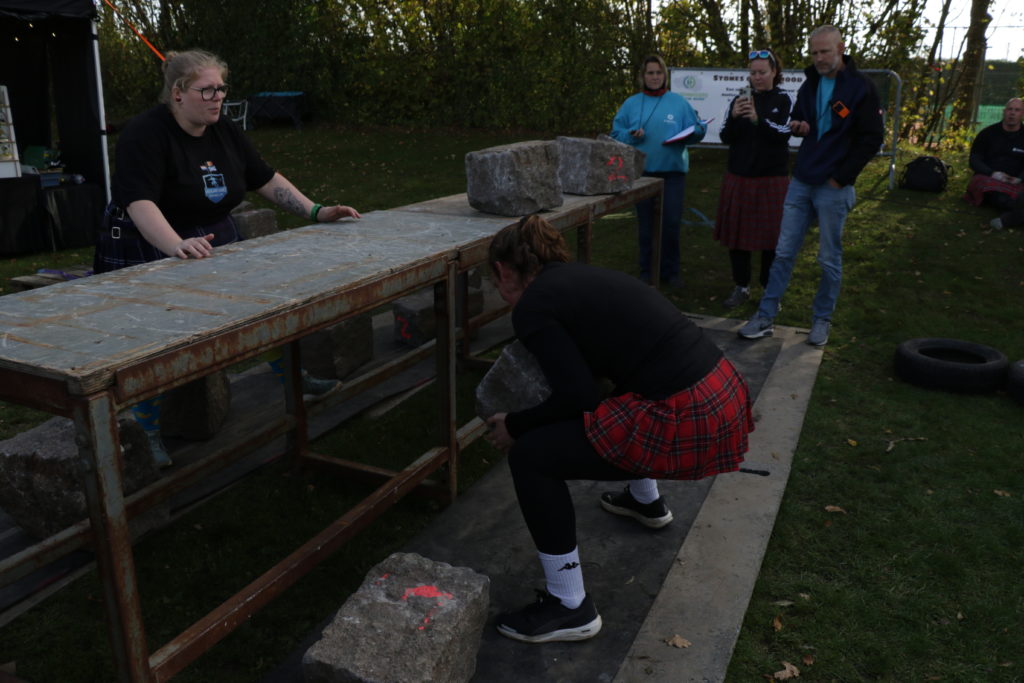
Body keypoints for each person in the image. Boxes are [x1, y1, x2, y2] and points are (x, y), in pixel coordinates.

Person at [484, 215, 754, 644]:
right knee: (618, 401)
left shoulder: (534, 305)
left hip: (689, 413)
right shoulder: (583, 279)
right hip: (722, 392)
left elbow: (578, 398)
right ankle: (646, 501)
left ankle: (569, 605)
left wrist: (514, 424)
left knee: (531, 456)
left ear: (503, 271)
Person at [95, 49, 361, 467]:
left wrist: (316, 211)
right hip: (149, 237)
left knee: (254, 303)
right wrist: (175, 245)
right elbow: (139, 201)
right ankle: (146, 428)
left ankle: (290, 378)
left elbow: (264, 178)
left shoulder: (223, 130)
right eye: (207, 90)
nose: (218, 97)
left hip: (209, 230)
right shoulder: (144, 134)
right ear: (178, 93)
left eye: (221, 89)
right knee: (155, 336)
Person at [738, 25, 884, 347]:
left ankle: (821, 320)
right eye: (814, 52)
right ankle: (765, 315)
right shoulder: (810, 83)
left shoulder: (862, 87)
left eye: (825, 52)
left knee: (828, 258)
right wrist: (798, 124)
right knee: (783, 252)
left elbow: (872, 138)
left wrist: (841, 178)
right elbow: (801, 118)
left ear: (841, 49)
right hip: (802, 180)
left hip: (834, 186)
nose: (818, 58)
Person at [610, 54, 707, 288]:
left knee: (671, 224)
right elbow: (616, 133)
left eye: (658, 72)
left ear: (665, 75)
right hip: (643, 175)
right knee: (646, 226)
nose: (655, 77)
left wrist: (694, 132)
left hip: (672, 175)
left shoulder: (678, 102)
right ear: (642, 76)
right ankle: (647, 270)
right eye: (650, 73)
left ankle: (671, 271)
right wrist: (631, 135)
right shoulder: (631, 103)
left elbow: (697, 129)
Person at [714, 48, 792, 308]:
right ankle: (741, 286)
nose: (757, 77)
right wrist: (734, 117)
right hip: (739, 177)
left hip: (771, 179)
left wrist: (758, 120)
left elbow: (783, 134)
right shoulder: (739, 99)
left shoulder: (783, 99)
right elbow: (725, 137)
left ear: (774, 72)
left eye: (762, 72)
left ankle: (769, 290)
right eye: (753, 73)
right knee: (737, 239)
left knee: (772, 241)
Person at [963, 97, 1024, 230]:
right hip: (989, 179)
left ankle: (1010, 218)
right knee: (996, 194)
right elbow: (974, 160)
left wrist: (1020, 178)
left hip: (1016, 181)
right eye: (1010, 109)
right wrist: (992, 173)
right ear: (1004, 111)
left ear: (1022, 113)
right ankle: (1016, 212)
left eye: (1017, 110)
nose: (1012, 113)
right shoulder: (987, 134)